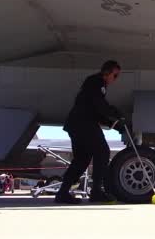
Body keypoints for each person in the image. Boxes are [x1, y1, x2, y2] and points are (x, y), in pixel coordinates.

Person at [55, 60, 124, 204]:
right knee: (102, 151)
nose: (115, 79)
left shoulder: (97, 84)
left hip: (77, 125)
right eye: (115, 75)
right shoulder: (96, 82)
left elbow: (95, 110)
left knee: (81, 160)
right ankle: (97, 191)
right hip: (83, 124)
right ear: (107, 72)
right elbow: (99, 105)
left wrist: (114, 124)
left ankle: (62, 193)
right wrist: (115, 112)